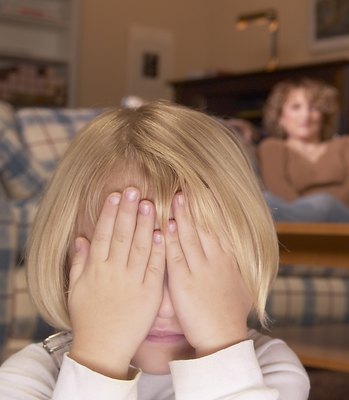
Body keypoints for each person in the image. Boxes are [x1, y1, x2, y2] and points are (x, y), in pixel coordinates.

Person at [0, 101, 310, 399]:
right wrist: (99, 357)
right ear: (66, 265)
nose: (164, 307)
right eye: (129, 265)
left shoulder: (269, 368)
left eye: (192, 264)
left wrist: (222, 346)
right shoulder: (30, 377)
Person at [258, 78, 349, 223]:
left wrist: (327, 207)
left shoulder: (347, 144)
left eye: (314, 108)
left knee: (324, 202)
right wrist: (309, 213)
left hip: (345, 221)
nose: (305, 115)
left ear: (324, 115)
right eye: (296, 107)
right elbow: (280, 194)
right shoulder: (271, 148)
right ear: (280, 117)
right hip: (294, 223)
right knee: (268, 201)